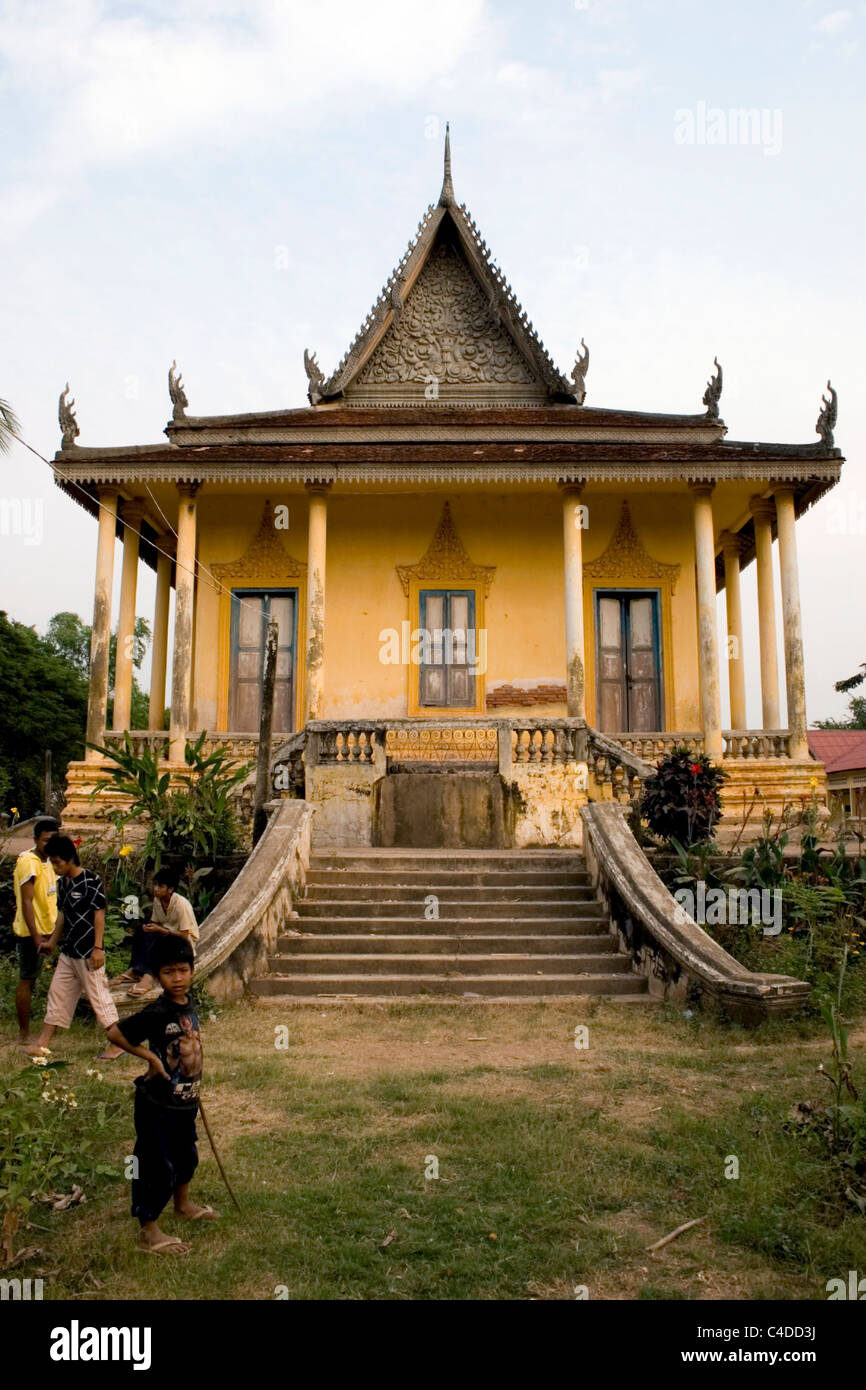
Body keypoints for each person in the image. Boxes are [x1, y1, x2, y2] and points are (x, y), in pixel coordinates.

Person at [106, 935, 217, 1254]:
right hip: (157, 1103)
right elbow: (115, 1033)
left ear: (192, 970)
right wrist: (152, 1059)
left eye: (183, 970)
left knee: (186, 1156)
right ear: (157, 976)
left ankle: (182, 1206)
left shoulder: (188, 1003)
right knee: (154, 1164)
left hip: (184, 1101)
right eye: (169, 972)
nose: (178, 978)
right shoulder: (157, 1010)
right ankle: (149, 1229)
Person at [25, 835, 119, 1059]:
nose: (54, 867)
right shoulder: (62, 884)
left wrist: (98, 948)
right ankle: (42, 1043)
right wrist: (51, 943)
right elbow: (62, 917)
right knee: (57, 994)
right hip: (69, 952)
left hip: (88, 953)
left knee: (100, 1000)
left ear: (69, 859)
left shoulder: (90, 880)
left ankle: (118, 1045)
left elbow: (99, 915)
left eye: (57, 862)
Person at [12, 817, 59, 1044]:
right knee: (27, 980)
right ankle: (24, 1033)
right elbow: (27, 902)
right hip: (32, 933)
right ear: (36, 840)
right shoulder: (28, 862)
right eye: (46, 840)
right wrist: (36, 935)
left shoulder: (49, 861)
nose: (49, 845)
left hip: (48, 930)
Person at [122, 866, 200, 1000]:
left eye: (160, 886)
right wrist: (149, 928)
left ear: (170, 889)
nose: (156, 889)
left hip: (183, 944)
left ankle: (148, 976)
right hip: (166, 938)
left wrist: (159, 930)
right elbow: (155, 923)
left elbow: (184, 935)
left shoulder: (181, 904)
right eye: (155, 885)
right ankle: (135, 970)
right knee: (141, 931)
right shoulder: (158, 901)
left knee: (155, 936)